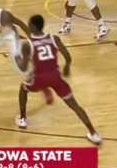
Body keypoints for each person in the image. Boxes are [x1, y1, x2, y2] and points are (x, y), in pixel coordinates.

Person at [15, 14, 103, 143]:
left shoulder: (27, 44)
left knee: (23, 89)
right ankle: (94, 133)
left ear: (33, 26)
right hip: (56, 76)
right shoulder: (54, 38)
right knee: (74, 105)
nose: (28, 26)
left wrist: (19, 59)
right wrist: (66, 67)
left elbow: (23, 68)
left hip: (39, 77)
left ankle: (23, 119)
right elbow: (67, 56)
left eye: (29, 24)